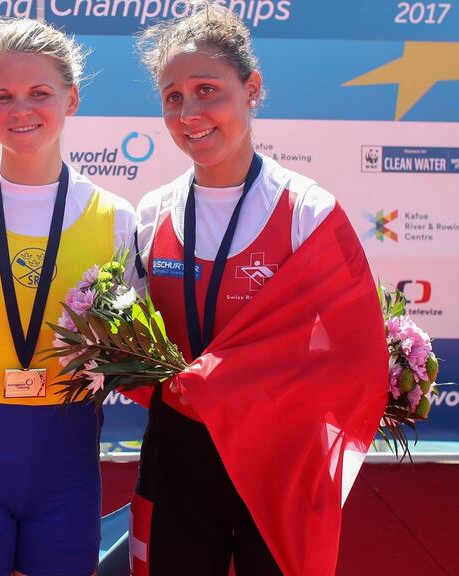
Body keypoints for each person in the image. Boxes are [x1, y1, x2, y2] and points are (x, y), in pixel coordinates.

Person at [129, 4, 387, 576]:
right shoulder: (151, 213)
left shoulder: (308, 212)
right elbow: (134, 346)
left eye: (207, 90)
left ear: (252, 89)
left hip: (278, 455)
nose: (190, 112)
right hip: (177, 452)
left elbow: (349, 353)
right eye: (173, 97)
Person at [0, 18, 138, 576]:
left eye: (40, 93)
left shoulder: (116, 218)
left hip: (66, 461)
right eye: (3, 96)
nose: (22, 109)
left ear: (72, 98)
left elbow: (133, 358)